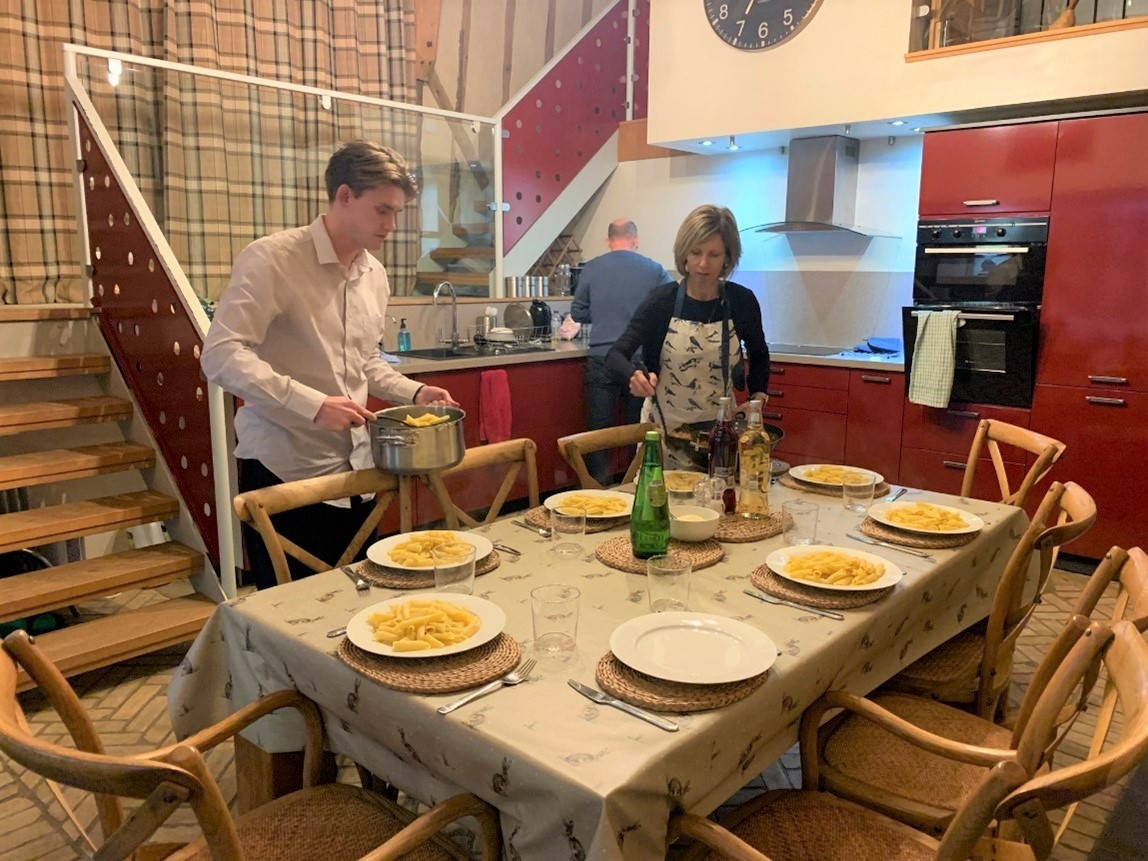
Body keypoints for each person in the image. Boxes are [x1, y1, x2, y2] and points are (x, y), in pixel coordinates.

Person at [202, 141, 457, 590]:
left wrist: (415, 392)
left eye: (397, 212)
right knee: (290, 612)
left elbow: (365, 360)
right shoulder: (273, 259)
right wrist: (313, 404)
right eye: (382, 210)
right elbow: (220, 354)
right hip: (286, 469)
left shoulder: (374, 274)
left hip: (359, 470)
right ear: (344, 196)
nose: (392, 225)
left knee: (360, 600)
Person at [606, 204, 770, 470]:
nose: (703, 264)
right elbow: (615, 355)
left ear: (727, 258)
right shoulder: (662, 301)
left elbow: (759, 354)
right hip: (663, 434)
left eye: (714, 254)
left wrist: (757, 399)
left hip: (720, 435)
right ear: (684, 253)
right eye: (695, 252)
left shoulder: (742, 302)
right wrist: (633, 376)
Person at [570, 218, 673, 483]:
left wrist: (602, 314)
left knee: (597, 431)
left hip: (601, 357)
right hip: (637, 360)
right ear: (635, 239)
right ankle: (633, 485)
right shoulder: (654, 269)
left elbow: (578, 311)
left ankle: (596, 489)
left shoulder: (591, 267)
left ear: (608, 241)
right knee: (636, 429)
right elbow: (672, 303)